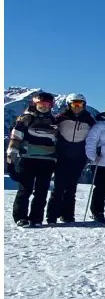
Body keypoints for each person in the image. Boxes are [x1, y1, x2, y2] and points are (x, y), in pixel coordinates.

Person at [7, 91, 58, 227]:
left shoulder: (54, 121)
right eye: (41, 104)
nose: (44, 107)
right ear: (35, 104)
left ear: (51, 106)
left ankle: (36, 218)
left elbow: (57, 142)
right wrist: (10, 162)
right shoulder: (26, 118)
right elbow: (15, 139)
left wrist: (56, 160)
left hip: (47, 161)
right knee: (25, 190)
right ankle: (21, 217)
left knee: (41, 192)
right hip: (28, 159)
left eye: (47, 104)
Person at [47, 92, 95, 224]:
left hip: (79, 158)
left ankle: (67, 215)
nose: (77, 107)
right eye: (74, 104)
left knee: (71, 188)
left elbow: (96, 136)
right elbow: (50, 131)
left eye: (80, 104)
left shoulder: (89, 120)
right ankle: (52, 216)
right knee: (58, 188)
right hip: (62, 156)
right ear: (69, 105)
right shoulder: (61, 118)